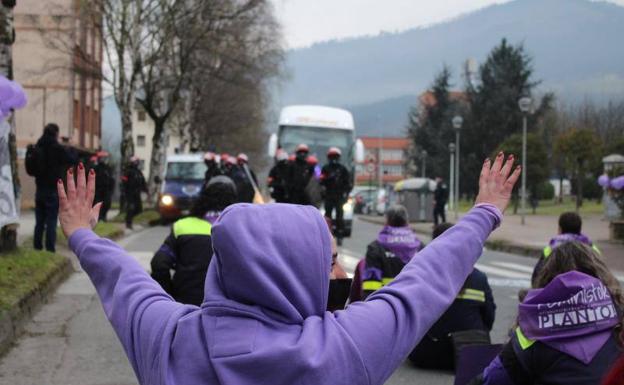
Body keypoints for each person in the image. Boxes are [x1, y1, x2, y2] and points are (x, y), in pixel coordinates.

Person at [57, 152, 520, 385]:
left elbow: (127, 281)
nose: (339, 274)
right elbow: (421, 284)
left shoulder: (171, 341)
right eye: (330, 261)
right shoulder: (341, 350)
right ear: (298, 271)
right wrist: (484, 213)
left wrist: (82, 234)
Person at [471, 241, 623, 385]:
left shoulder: (534, 331)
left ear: (546, 280)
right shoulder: (619, 318)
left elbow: (492, 379)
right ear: (601, 276)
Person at [408, 222, 496, 370]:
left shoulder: (423, 275)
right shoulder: (478, 278)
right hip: (469, 354)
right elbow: (489, 317)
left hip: (426, 355)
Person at [150, 176, 237, 306]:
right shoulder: (241, 229)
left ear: (204, 197)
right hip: (227, 308)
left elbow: (159, 264)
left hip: (185, 304)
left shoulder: (183, 226)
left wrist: (169, 296)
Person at [349, 205, 424, 302]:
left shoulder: (376, 248)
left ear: (387, 221)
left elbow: (371, 286)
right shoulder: (420, 246)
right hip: (415, 304)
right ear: (406, 221)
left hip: (387, 305)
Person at [32, 123, 76, 252]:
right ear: (56, 133)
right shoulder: (57, 148)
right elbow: (72, 159)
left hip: (39, 189)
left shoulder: (38, 145)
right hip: (52, 190)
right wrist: (71, 147)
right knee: (51, 220)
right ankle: (50, 248)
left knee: (39, 221)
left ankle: (37, 247)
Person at [531, 211, 601, 286]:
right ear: (580, 229)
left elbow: (537, 277)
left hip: (557, 294)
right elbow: (601, 274)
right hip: (587, 293)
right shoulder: (592, 249)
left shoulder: (550, 249)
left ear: (560, 229)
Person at [321, 147, 352, 240]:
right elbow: (321, 181)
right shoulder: (325, 168)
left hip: (339, 196)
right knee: (327, 216)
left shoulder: (343, 169)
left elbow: (348, 184)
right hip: (329, 196)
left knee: (340, 216)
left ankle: (339, 234)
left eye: (335, 156)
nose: (333, 159)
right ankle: (326, 233)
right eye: (332, 157)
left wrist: (346, 195)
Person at [121, 156, 146, 229]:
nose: (137, 163)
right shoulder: (128, 171)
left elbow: (143, 181)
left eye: (137, 162)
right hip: (130, 193)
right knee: (131, 208)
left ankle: (128, 218)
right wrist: (124, 191)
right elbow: (123, 182)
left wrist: (145, 190)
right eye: (136, 162)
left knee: (139, 209)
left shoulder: (138, 172)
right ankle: (128, 222)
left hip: (137, 193)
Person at [93, 151, 114, 222]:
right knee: (98, 204)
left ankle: (103, 217)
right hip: (98, 190)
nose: (105, 160)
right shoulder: (96, 168)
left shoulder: (108, 168)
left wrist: (111, 189)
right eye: (103, 158)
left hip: (107, 190)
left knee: (107, 204)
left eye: (106, 158)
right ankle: (99, 218)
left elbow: (111, 179)